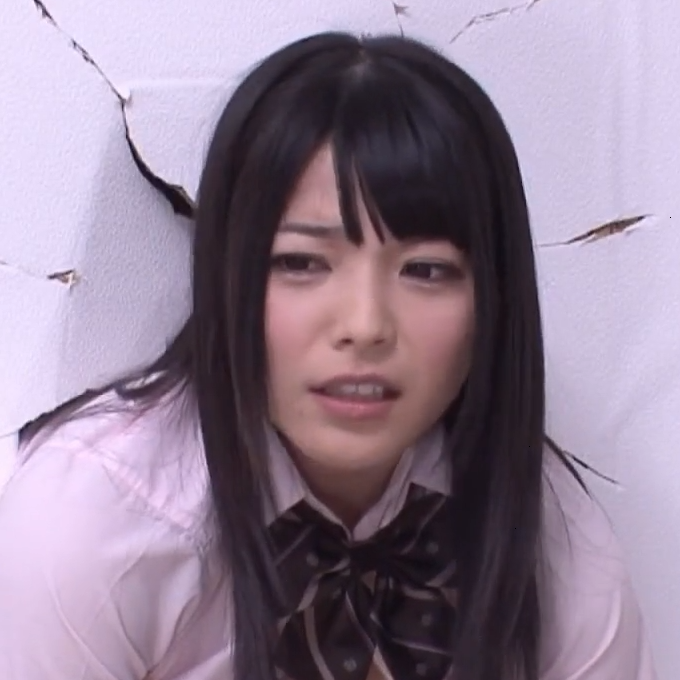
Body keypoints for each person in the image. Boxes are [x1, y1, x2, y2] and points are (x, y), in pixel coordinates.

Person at [0, 31, 656, 680]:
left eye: (426, 270)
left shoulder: (553, 542)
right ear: (227, 278)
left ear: (494, 300)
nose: (365, 326)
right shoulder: (93, 528)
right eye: (302, 263)